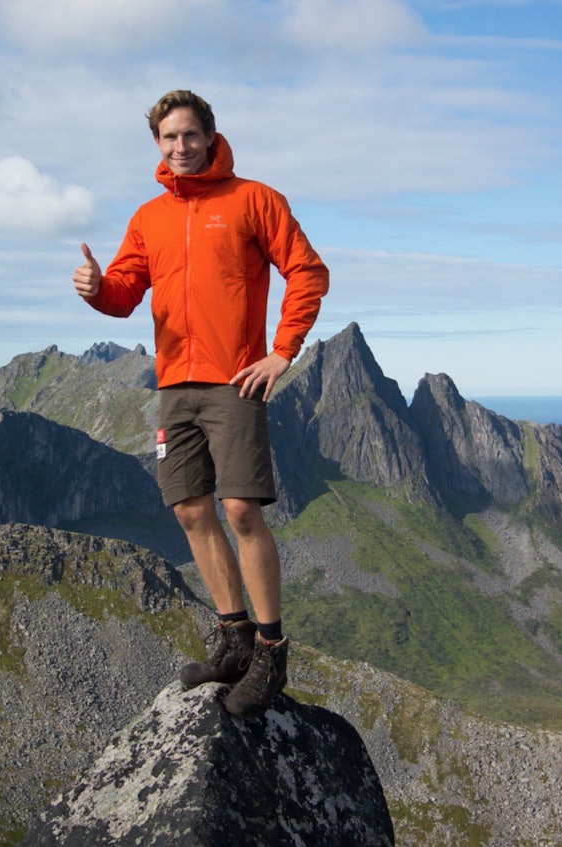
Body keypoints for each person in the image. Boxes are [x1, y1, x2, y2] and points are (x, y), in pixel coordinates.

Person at [72, 89, 329, 717]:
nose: (180, 147)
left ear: (211, 136)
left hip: (233, 380)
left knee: (240, 507)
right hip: (174, 385)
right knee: (190, 509)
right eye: (168, 138)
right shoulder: (149, 217)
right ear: (157, 145)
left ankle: (271, 652)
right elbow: (126, 293)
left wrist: (282, 351)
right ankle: (234, 638)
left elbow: (308, 271)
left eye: (189, 135)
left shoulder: (254, 200)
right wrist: (95, 288)